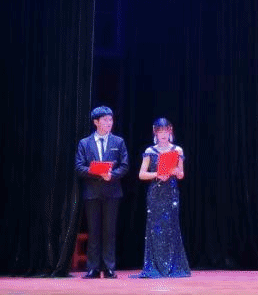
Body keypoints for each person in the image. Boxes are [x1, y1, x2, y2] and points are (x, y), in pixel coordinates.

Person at [74, 106, 130, 278]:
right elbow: (79, 167)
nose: (109, 123)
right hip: (92, 192)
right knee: (94, 230)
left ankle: (109, 267)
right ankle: (93, 267)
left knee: (109, 231)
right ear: (96, 122)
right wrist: (97, 172)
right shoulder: (84, 143)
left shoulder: (118, 142)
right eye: (105, 120)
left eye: (110, 119)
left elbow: (124, 166)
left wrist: (112, 175)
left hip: (112, 191)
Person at [136, 117, 190, 278]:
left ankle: (173, 265)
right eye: (160, 131)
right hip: (155, 193)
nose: (163, 134)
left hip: (171, 193)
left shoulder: (177, 150)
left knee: (172, 228)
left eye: (166, 131)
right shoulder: (150, 151)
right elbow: (141, 174)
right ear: (155, 133)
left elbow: (181, 174)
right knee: (155, 229)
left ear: (170, 131)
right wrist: (157, 174)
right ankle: (154, 265)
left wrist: (175, 172)